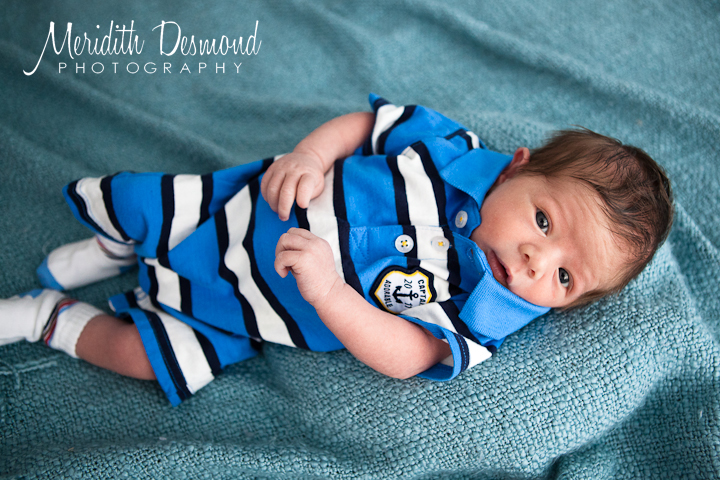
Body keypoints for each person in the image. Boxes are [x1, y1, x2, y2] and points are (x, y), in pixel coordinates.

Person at [0, 95, 673, 406]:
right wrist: (310, 155)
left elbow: (410, 355)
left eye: (565, 277)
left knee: (145, 359)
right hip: (246, 209)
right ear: (516, 168)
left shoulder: (484, 310)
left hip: (250, 310)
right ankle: (116, 249)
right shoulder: (448, 150)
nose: (533, 261)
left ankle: (45, 318)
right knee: (143, 207)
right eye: (544, 220)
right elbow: (367, 126)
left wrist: (329, 293)